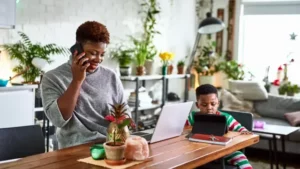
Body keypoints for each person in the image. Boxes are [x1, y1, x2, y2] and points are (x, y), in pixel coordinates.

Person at [41, 21, 129, 149]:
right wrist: (77, 80)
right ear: (77, 49)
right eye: (93, 53)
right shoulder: (53, 77)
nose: (98, 59)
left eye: (102, 54)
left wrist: (122, 124)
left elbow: (124, 110)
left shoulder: (111, 76)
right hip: (74, 149)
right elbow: (57, 120)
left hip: (111, 145)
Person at [187, 84, 253, 169]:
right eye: (204, 105)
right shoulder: (192, 117)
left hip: (222, 154)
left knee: (239, 156)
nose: (209, 108)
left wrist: (244, 131)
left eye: (213, 104)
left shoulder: (226, 118)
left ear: (218, 103)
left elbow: (240, 129)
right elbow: (180, 130)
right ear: (197, 105)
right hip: (197, 154)